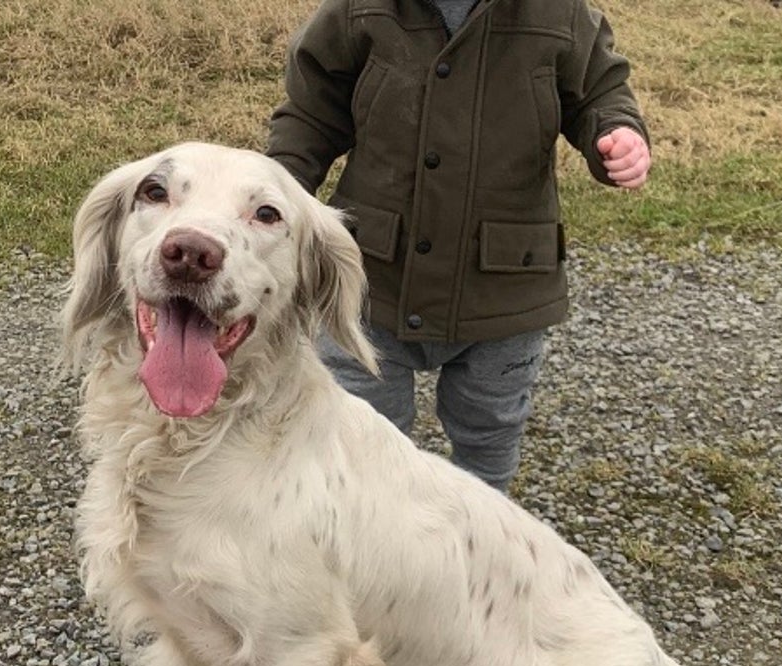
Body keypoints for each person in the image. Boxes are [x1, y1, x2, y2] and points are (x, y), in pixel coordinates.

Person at [266, 0, 650, 491]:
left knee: (489, 430)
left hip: (505, 285)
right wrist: (276, 186)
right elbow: (311, 111)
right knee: (357, 431)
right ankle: (369, 541)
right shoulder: (360, 9)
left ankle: (483, 539)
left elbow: (600, 90)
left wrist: (617, 133)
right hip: (374, 278)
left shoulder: (562, 12)